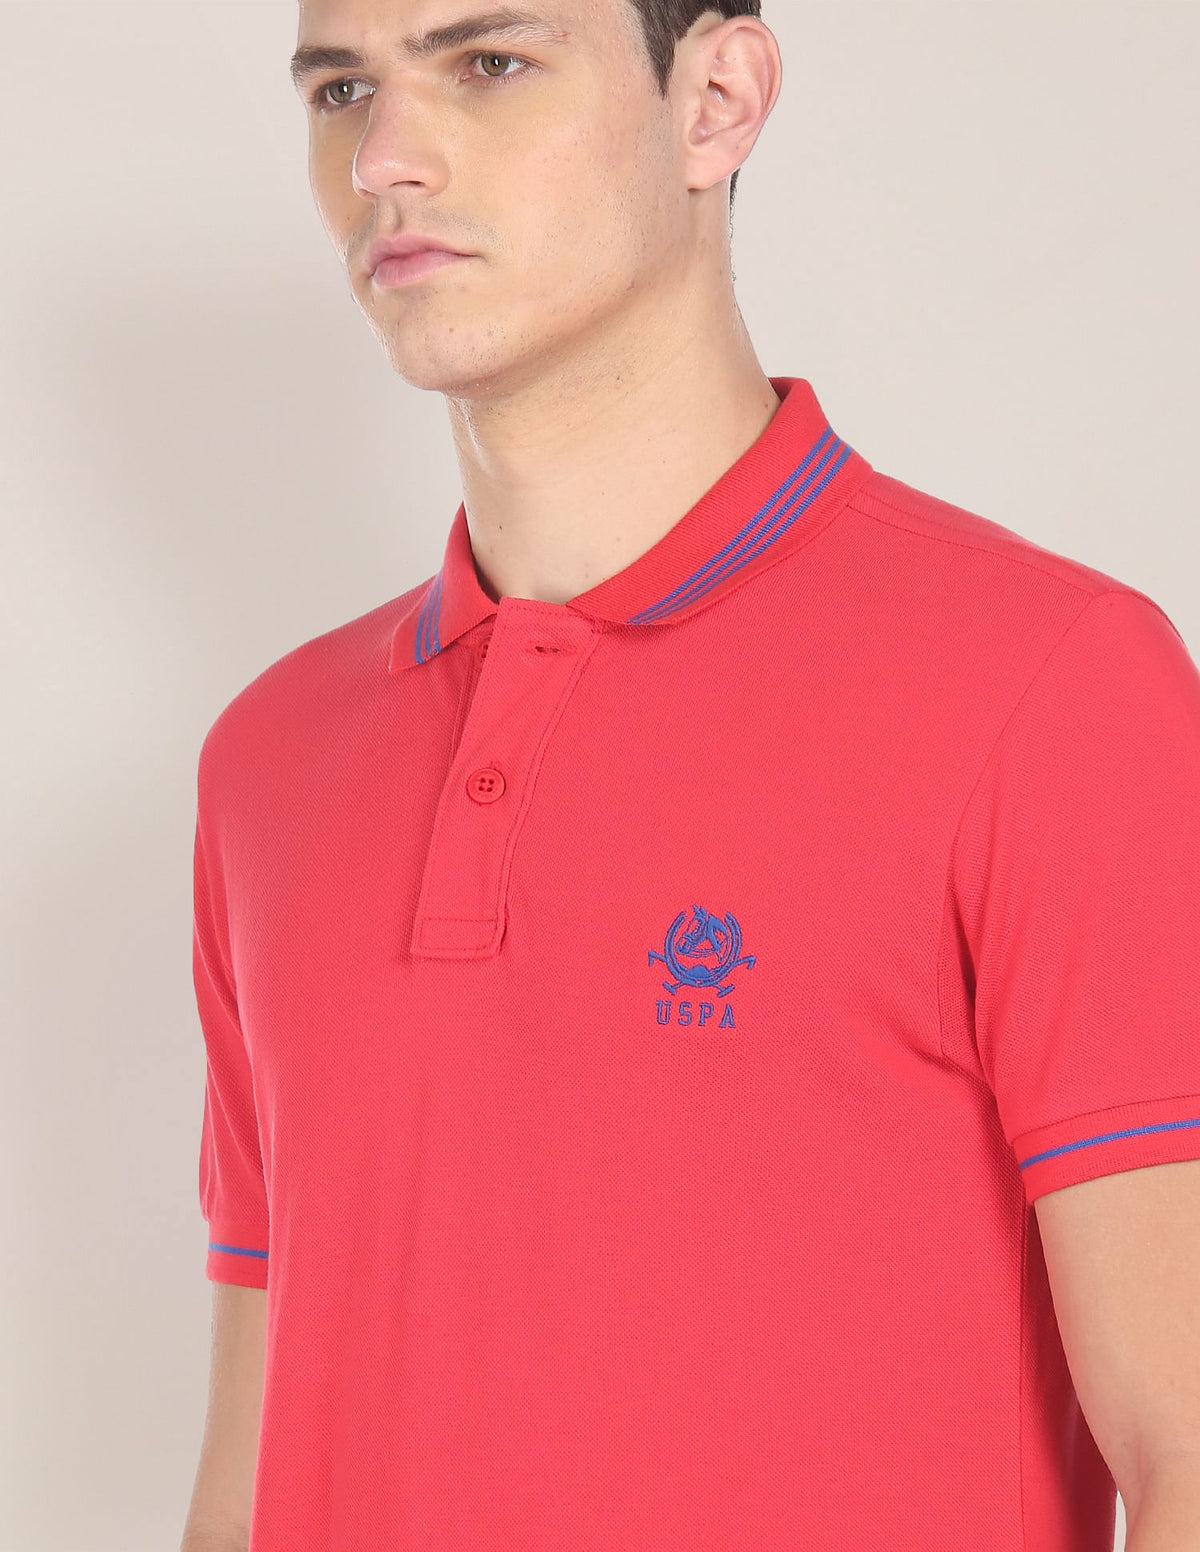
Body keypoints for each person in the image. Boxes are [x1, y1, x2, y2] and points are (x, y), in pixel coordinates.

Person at [181, 3, 1200, 1550]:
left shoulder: (1052, 685)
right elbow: (251, 1476)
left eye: (489, 65)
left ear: (716, 98)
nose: (384, 158)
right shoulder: (271, 759)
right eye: (340, 90)